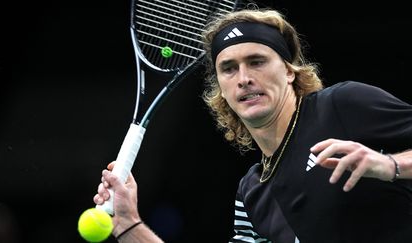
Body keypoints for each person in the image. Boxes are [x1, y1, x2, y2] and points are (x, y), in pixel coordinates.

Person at [93, 7, 412, 243]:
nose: (244, 78)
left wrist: (390, 164)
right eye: (229, 68)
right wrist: (128, 224)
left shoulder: (342, 106)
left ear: (289, 71)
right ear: (221, 89)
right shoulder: (252, 194)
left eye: (257, 61)